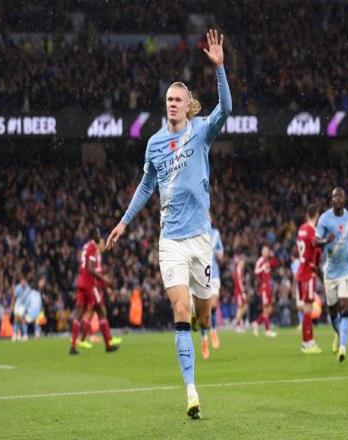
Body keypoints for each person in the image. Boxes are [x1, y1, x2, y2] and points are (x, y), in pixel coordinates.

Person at [105, 29, 231, 419]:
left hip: (200, 240)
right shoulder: (155, 144)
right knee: (180, 308)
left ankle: (204, 324)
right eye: (169, 100)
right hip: (171, 242)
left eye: (178, 99)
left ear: (188, 105)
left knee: (203, 312)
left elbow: (226, 109)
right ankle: (191, 391)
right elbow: (146, 187)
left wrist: (220, 69)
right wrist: (124, 222)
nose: (173, 104)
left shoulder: (202, 130)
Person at [316, 187, 348, 362]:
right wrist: (326, 240)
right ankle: (339, 334)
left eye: (341, 196)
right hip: (330, 273)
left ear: (345, 199)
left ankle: (343, 348)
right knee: (333, 311)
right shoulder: (324, 219)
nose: (338, 199)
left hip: (346, 270)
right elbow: (315, 241)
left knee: (346, 308)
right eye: (335, 196)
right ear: (332, 199)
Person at [70, 226, 120, 355]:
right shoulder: (93, 247)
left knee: (80, 314)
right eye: (98, 234)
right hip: (90, 284)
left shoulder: (86, 246)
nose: (100, 237)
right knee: (101, 310)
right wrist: (106, 281)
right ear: (94, 235)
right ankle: (108, 343)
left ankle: (73, 346)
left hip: (81, 281)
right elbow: (91, 269)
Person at [296, 204, 322, 353]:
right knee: (308, 309)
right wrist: (328, 240)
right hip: (308, 272)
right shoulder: (312, 231)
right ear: (317, 215)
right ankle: (307, 343)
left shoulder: (301, 228)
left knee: (307, 308)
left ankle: (309, 341)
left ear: (307, 214)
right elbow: (316, 244)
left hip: (301, 271)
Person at [200, 221, 224, 360]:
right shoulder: (196, 234)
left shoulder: (216, 234)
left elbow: (221, 253)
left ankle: (213, 330)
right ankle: (204, 341)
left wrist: (220, 255)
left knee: (213, 305)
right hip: (201, 275)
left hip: (214, 274)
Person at [252, 246, 278, 337]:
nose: (267, 252)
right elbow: (255, 272)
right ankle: (267, 331)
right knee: (265, 309)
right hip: (263, 287)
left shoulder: (268, 260)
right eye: (265, 251)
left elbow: (275, 264)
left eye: (268, 251)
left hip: (269, 287)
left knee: (269, 310)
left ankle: (256, 323)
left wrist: (273, 256)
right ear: (262, 252)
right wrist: (262, 268)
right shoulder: (260, 261)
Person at [12, 275, 31, 341]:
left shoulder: (28, 289)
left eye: (24, 281)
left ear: (26, 282)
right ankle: (15, 334)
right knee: (16, 320)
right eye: (22, 281)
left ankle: (25, 334)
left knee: (23, 320)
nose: (23, 282)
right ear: (20, 281)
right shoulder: (17, 287)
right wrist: (12, 305)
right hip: (18, 305)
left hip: (24, 306)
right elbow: (14, 297)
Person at [232, 251, 247, 333]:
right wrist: (243, 292)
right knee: (240, 307)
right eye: (243, 262)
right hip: (239, 292)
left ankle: (239, 322)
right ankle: (237, 324)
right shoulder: (238, 269)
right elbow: (239, 282)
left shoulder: (240, 269)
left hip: (239, 291)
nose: (244, 263)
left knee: (243, 307)